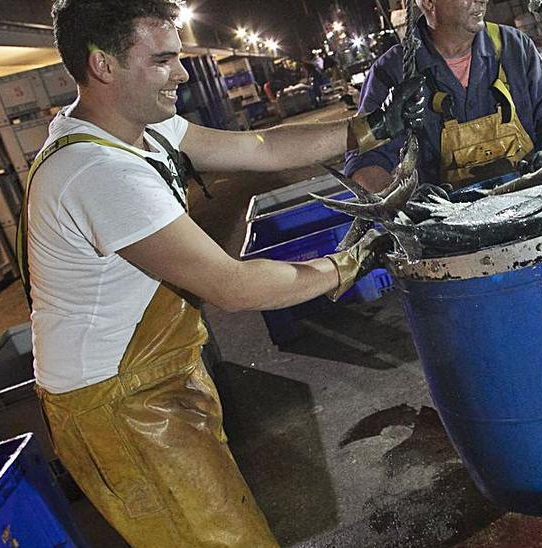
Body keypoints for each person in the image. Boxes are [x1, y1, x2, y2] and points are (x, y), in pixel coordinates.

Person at [23, 1, 426, 545]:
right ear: (102, 65)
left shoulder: (146, 127)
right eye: (163, 59)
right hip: (117, 402)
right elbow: (232, 287)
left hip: (154, 372)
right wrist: (348, 263)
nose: (183, 73)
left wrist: (371, 128)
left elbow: (258, 147)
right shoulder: (97, 172)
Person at [344, 0, 542, 192]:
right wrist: (402, 204)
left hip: (532, 204)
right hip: (447, 231)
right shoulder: (394, 71)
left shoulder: (513, 46)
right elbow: (365, 162)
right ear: (428, 3)